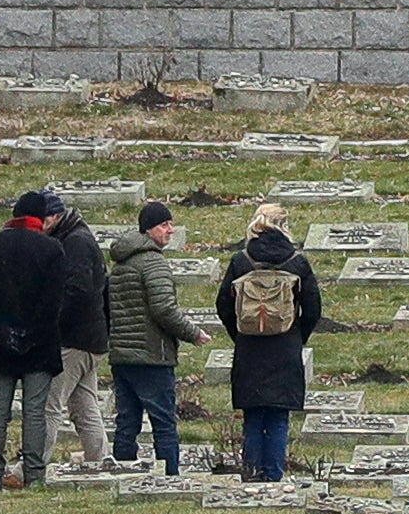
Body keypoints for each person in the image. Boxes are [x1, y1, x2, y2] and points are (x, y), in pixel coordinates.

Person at [0, 189, 67, 489]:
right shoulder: (51, 250)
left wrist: (0, 330)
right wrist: (32, 334)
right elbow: (53, 302)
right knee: (34, 411)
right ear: (40, 216)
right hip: (39, 345)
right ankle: (35, 475)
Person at [216, 203, 319, 483]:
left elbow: (223, 305)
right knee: (277, 417)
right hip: (285, 348)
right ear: (284, 226)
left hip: (249, 348)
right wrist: (296, 336)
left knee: (253, 416)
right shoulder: (297, 262)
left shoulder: (241, 260)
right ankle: (273, 476)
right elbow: (313, 309)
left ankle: (251, 473)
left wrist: (240, 334)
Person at [107, 202, 208, 476]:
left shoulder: (120, 264)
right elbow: (164, 309)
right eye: (164, 225)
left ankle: (123, 472)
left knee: (127, 422)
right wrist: (193, 333)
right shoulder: (154, 263)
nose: (170, 230)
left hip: (122, 356)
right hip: (152, 357)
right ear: (149, 229)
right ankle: (171, 476)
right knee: (164, 423)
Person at [44, 191, 112, 465]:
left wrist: (53, 322)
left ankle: (31, 466)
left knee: (49, 406)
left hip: (74, 340)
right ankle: (99, 460)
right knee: (84, 407)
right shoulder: (77, 237)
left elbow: (78, 291)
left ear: (56, 216)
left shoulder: (75, 243)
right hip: (92, 339)